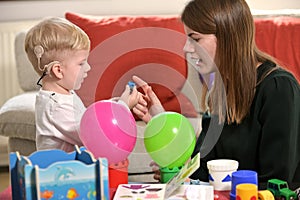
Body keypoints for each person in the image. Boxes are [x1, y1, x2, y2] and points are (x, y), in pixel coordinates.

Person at [132, 0, 300, 189]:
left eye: (195, 39)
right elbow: (201, 169)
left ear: (227, 36)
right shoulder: (220, 92)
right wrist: (162, 121)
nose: (186, 48)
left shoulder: (278, 88)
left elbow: (278, 184)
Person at [25, 17, 140, 153]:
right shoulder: (56, 107)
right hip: (64, 172)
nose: (88, 67)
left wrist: (115, 104)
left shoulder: (64, 95)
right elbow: (92, 135)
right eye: (81, 63)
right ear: (58, 70)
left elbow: (88, 118)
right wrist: (123, 107)